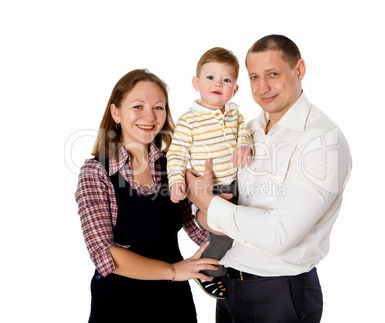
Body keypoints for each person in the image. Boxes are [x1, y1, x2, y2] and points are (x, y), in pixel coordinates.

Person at [185, 35, 352, 322]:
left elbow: (279, 235)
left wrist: (207, 203)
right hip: (229, 287)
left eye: (273, 74)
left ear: (298, 70)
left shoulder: (322, 141)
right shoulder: (248, 130)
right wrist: (205, 207)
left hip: (279, 293)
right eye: (253, 77)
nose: (262, 88)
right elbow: (206, 208)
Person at [75, 69, 220, 323]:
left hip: (175, 306)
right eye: (138, 106)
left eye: (158, 107)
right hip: (119, 307)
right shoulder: (96, 171)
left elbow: (199, 232)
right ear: (116, 112)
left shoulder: (174, 167)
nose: (150, 117)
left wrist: (214, 203)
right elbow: (106, 256)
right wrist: (174, 270)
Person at [166, 47, 253, 299]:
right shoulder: (188, 121)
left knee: (243, 228)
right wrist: (175, 182)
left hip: (236, 185)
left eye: (226, 80)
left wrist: (244, 145)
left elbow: (244, 133)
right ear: (196, 83)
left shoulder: (235, 113)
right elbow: (176, 155)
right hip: (210, 190)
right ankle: (208, 270)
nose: (218, 84)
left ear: (234, 89)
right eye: (210, 78)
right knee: (225, 231)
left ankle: (223, 267)